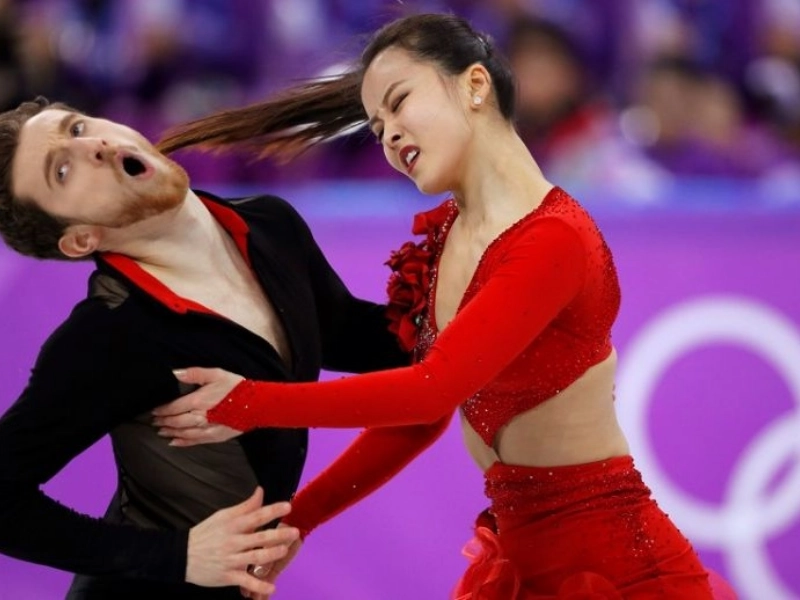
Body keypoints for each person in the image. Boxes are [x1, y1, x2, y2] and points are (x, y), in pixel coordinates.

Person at [152, 12, 739, 600]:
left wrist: (250, 402)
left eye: (399, 103)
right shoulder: (449, 235)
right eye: (377, 126)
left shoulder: (553, 238)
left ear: (475, 85)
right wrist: (299, 519)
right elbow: (421, 418)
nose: (388, 136)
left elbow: (429, 390)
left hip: (619, 572)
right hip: (518, 563)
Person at [0, 96, 409, 599]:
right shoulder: (110, 334)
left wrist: (480, 302)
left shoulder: (270, 224)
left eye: (78, 127)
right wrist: (178, 555)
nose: (95, 147)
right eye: (62, 171)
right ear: (81, 240)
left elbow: (348, 333)